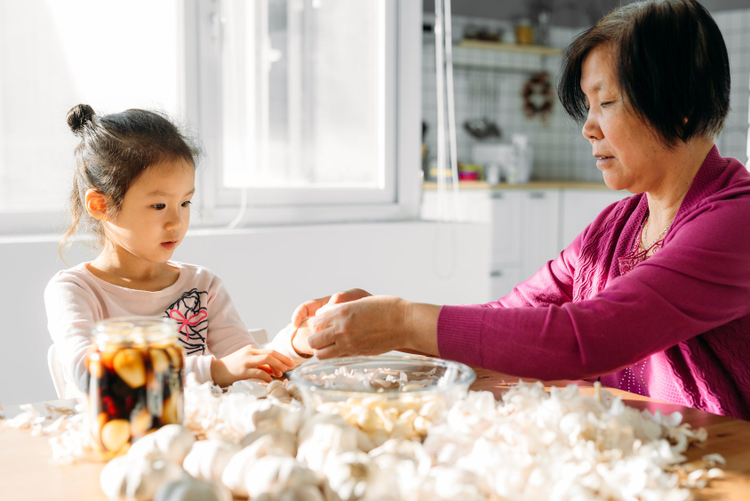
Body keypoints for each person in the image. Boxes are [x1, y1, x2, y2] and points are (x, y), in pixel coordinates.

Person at [291, 0, 750, 420]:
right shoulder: (616, 227)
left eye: (607, 102)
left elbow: (580, 338)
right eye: (588, 107)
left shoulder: (736, 221)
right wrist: (384, 325)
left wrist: (403, 322)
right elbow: (512, 317)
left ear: (683, 107)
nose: (588, 127)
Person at [46, 105, 314, 397]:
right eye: (159, 206)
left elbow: (247, 365)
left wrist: (298, 342)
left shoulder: (203, 285)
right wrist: (213, 371)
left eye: (185, 203)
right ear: (101, 206)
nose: (177, 222)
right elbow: (93, 377)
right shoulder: (75, 290)